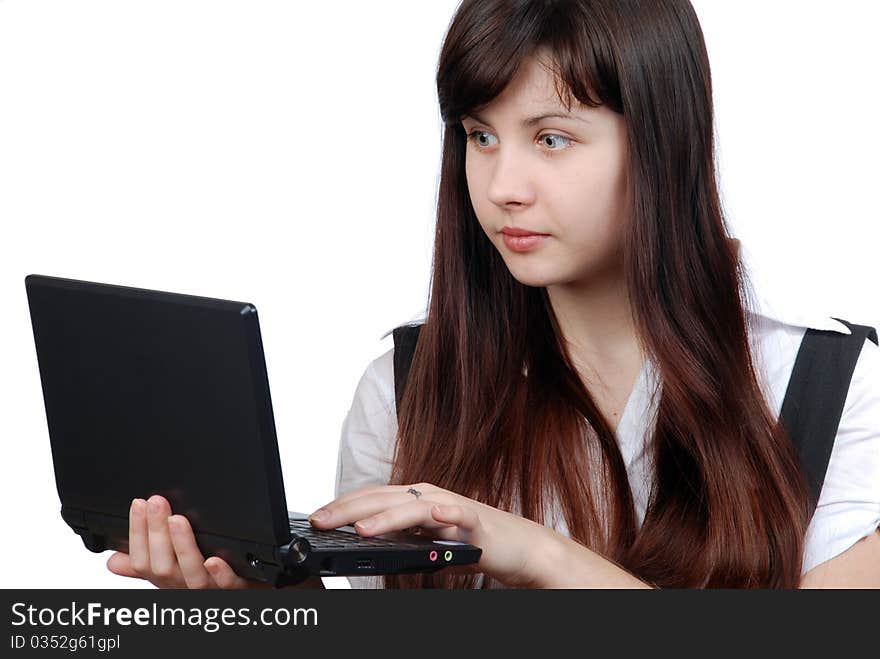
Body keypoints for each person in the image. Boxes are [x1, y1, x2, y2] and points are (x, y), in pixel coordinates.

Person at [107, 0, 880, 589]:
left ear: (662, 143)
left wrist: (525, 548)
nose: (502, 187)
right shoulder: (408, 387)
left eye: (552, 138)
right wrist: (241, 615)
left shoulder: (832, 389)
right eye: (480, 135)